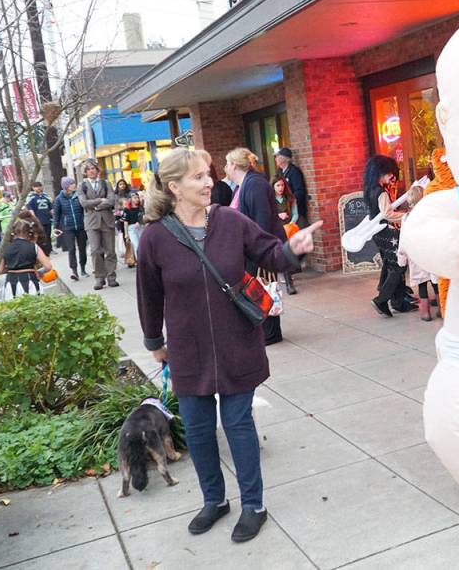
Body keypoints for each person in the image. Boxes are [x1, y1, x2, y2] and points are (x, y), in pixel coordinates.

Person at [136, 148, 321, 543]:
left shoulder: (230, 221)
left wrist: (293, 249)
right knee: (200, 430)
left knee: (238, 424)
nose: (209, 183)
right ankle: (214, 501)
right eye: (198, 177)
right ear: (174, 187)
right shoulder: (154, 237)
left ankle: (253, 505)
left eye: (209, 175)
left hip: (238, 341)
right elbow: (148, 294)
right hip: (188, 349)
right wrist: (154, 340)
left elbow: (269, 252)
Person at [227, 148, 288, 344]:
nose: (225, 168)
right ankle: (265, 330)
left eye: (227, 164)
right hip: (252, 248)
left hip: (260, 248)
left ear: (235, 165)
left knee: (262, 286)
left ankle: (270, 332)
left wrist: (261, 250)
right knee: (257, 287)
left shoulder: (254, 184)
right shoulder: (244, 185)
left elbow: (262, 220)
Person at [363, 155, 416, 317]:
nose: (391, 177)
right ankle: (382, 299)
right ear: (382, 172)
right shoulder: (380, 192)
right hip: (387, 232)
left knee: (390, 264)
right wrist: (406, 215)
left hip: (378, 233)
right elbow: (388, 214)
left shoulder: (370, 190)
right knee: (398, 266)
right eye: (389, 174)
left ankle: (397, 300)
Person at [396, 186, 439, 321]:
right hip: (430, 253)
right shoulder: (429, 215)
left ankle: (425, 313)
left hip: (416, 256)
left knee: (422, 284)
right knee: (436, 282)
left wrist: (401, 257)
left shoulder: (406, 218)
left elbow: (403, 240)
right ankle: (442, 310)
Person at [78, 160, 119, 290]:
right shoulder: (82, 186)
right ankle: (99, 278)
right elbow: (84, 203)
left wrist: (96, 205)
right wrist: (100, 200)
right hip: (91, 222)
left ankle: (111, 277)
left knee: (110, 251)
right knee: (95, 250)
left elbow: (112, 200)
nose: (91, 171)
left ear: (97, 170)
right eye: (88, 169)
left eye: (93, 168)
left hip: (107, 220)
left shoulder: (105, 183)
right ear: (85, 172)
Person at [0, 211, 54, 299]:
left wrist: (11, 268)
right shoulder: (33, 246)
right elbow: (48, 266)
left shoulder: (5, 247)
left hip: (11, 282)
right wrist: (39, 272)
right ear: (29, 232)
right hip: (30, 280)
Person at [53, 176, 89, 281]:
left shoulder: (79, 196)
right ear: (66, 186)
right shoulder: (59, 199)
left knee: (82, 248)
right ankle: (74, 271)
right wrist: (55, 227)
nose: (74, 185)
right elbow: (57, 214)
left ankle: (83, 268)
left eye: (74, 183)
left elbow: (84, 210)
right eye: (71, 184)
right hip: (68, 228)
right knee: (71, 249)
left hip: (81, 226)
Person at [272, 177, 298, 295]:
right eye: (278, 185)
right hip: (277, 228)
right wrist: (278, 216)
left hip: (289, 227)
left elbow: (295, 214)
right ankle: (287, 277)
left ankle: (289, 274)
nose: (280, 188)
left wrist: (291, 223)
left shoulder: (290, 198)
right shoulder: (270, 199)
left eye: (282, 185)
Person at [274, 148, 308, 227]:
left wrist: (289, 202)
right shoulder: (279, 171)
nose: (276, 159)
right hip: (284, 213)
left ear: (284, 158)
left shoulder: (294, 172)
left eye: (278, 156)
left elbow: (299, 191)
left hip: (297, 212)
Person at [26, 180, 54, 256]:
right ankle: (41, 251)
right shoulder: (31, 197)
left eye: (39, 186)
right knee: (40, 236)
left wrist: (54, 216)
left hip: (47, 219)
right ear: (33, 188)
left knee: (48, 235)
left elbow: (51, 207)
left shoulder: (45, 196)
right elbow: (30, 209)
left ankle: (49, 249)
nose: (38, 188)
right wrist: (35, 219)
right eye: (36, 186)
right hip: (38, 220)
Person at [123, 193, 145, 267]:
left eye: (137, 198)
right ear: (131, 199)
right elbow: (125, 222)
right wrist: (126, 234)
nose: (137, 199)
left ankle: (144, 261)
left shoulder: (141, 208)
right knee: (137, 245)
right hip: (132, 229)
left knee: (143, 245)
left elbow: (144, 217)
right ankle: (140, 263)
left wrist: (140, 222)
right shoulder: (127, 209)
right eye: (134, 198)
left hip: (141, 227)